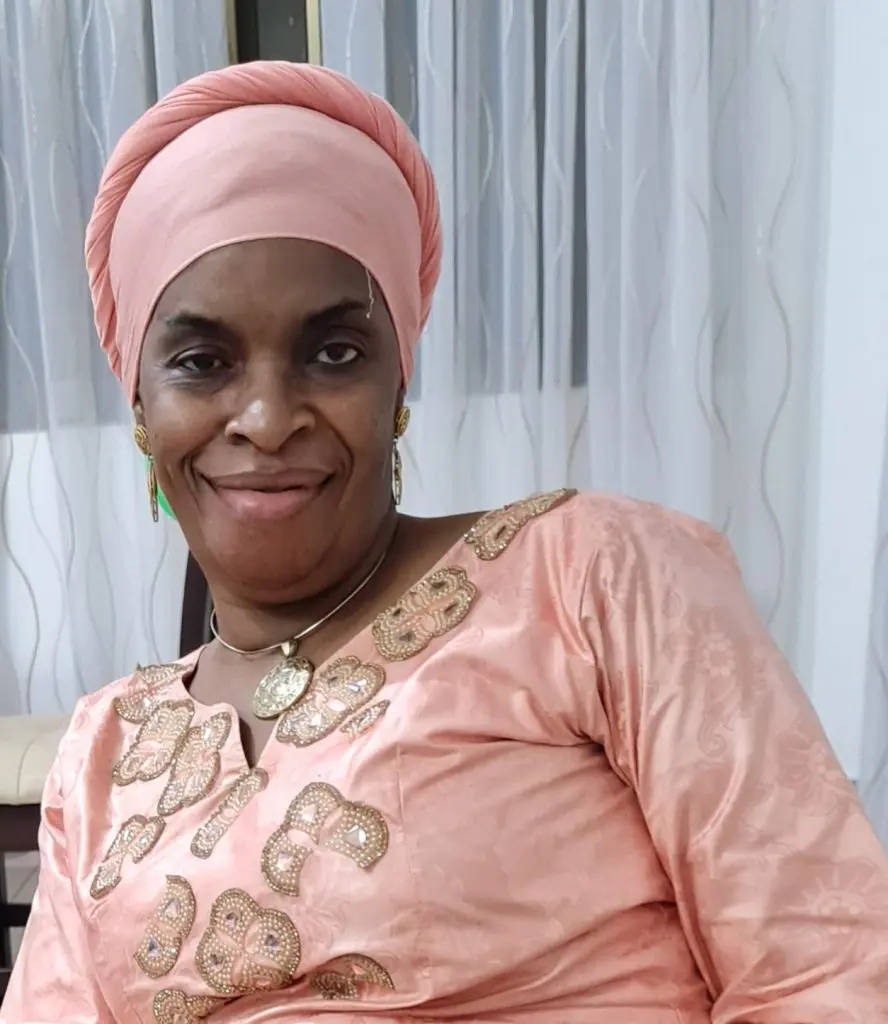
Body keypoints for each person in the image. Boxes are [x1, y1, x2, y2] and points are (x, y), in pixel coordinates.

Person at [3, 60, 887, 1024]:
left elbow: (828, 968)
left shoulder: (592, 579)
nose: (266, 417)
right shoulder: (101, 750)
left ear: (399, 381)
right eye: (201, 361)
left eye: (334, 352)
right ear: (140, 405)